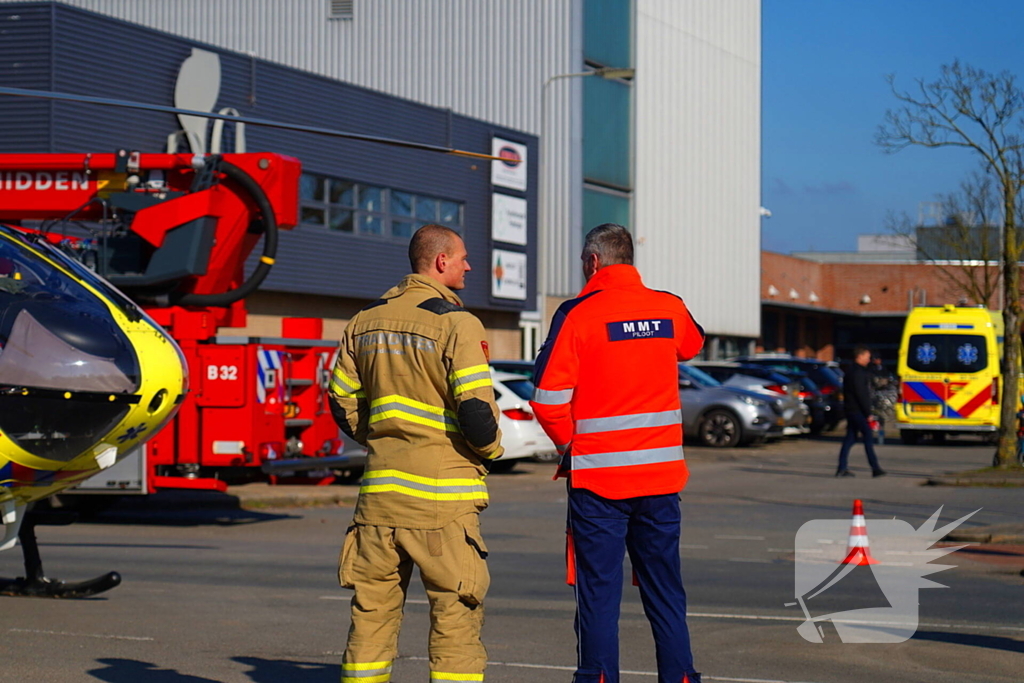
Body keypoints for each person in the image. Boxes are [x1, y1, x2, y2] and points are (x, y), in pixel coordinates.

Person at [530, 224, 705, 683]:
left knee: (598, 595)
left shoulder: (577, 314)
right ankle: (681, 677)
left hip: (598, 484)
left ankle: (598, 678)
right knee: (665, 591)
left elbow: (547, 400)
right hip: (661, 481)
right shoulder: (669, 307)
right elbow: (693, 343)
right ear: (629, 258)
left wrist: (571, 446)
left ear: (593, 262)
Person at [330, 224, 504, 683]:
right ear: (440, 261)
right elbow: (476, 414)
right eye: (463, 257)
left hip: (378, 502)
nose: (469, 265)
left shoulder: (363, 321)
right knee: (455, 618)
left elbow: (340, 401)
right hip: (441, 504)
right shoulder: (457, 323)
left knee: (371, 617)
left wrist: (380, 441)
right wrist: (490, 452)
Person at [836, 346, 886, 477]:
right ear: (860, 356)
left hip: (851, 409)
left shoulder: (851, 371)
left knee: (850, 439)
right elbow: (861, 394)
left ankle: (841, 468)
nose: (869, 359)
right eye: (867, 356)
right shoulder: (858, 373)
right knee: (868, 438)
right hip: (858, 410)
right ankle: (875, 468)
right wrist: (868, 413)